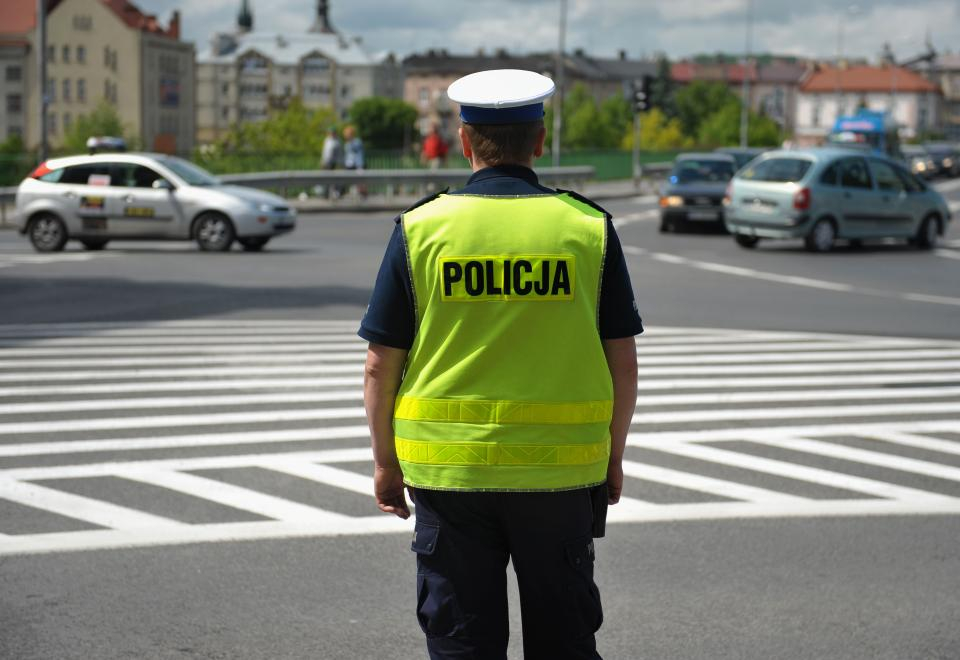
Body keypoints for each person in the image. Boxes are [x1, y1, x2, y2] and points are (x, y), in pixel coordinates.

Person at [360, 69, 641, 660]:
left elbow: (379, 365)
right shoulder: (586, 229)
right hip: (560, 478)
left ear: (465, 142)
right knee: (563, 644)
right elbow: (623, 364)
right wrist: (611, 457)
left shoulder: (421, 229)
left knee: (463, 645)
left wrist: (385, 462)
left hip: (450, 477)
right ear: (540, 140)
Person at [342, 125, 366, 198]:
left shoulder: (357, 141)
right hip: (349, 165)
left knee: (360, 182)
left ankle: (363, 195)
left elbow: (355, 148)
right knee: (347, 181)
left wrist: (351, 140)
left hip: (358, 164)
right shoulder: (347, 143)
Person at [320, 126, 342, 198]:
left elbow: (339, 154)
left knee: (333, 179)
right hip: (326, 162)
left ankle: (334, 194)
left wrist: (339, 163)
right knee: (325, 179)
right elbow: (324, 152)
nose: (331, 134)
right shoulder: (327, 140)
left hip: (333, 163)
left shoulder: (337, 141)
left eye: (332, 132)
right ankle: (325, 194)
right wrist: (322, 161)